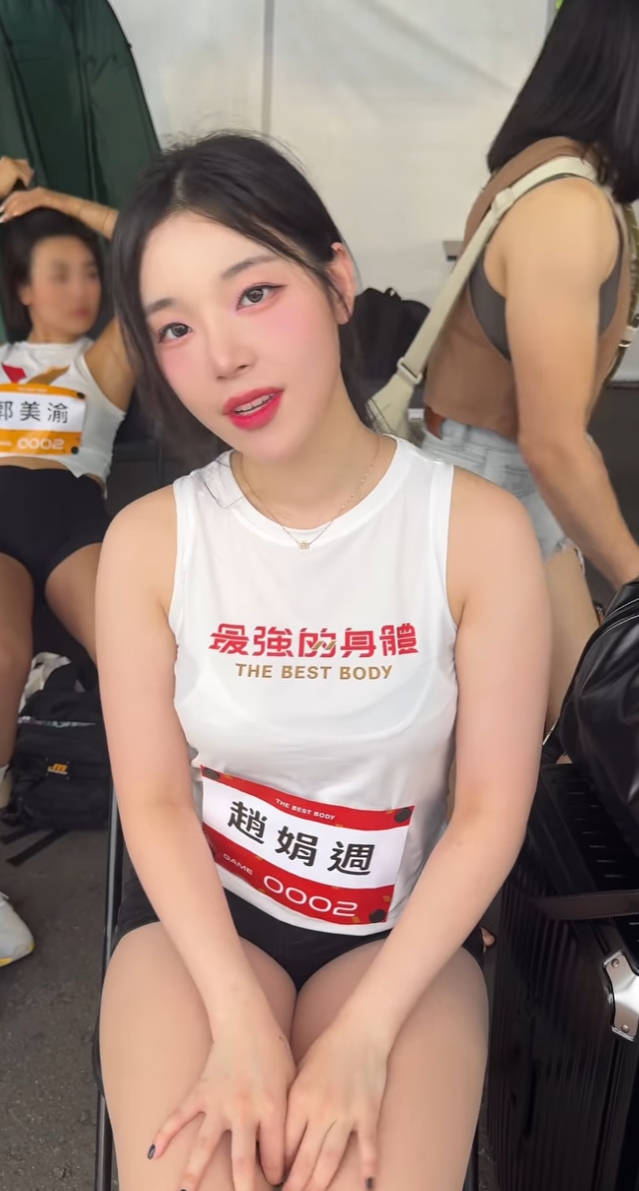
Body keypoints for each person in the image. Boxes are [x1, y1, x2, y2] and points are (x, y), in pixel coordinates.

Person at [96, 131, 549, 1191]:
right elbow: (153, 800)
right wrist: (235, 1016)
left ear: (338, 281)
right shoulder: (150, 543)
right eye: (175, 326)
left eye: (254, 293)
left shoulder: (475, 532)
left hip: (399, 946)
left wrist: (368, 1033)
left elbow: (489, 809)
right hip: (202, 937)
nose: (223, 356)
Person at [421, 0, 639, 729]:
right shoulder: (567, 208)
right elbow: (552, 443)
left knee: (582, 729)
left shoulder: (544, 171)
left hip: (504, 475)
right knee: (533, 741)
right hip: (500, 478)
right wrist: (634, 578)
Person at [0, 155, 135, 964]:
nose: (82, 286)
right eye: (59, 273)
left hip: (68, 517)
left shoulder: (100, 362)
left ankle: (187, 852)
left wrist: (53, 198)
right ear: (23, 289)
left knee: (141, 658)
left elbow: (155, 244)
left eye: (89, 271)